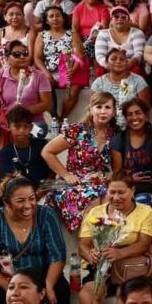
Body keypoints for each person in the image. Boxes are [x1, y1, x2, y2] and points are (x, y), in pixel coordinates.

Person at [0, 176, 67, 304]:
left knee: (57, 294)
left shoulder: (46, 215)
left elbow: (58, 256)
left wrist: (48, 285)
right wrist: (8, 287)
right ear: (6, 202)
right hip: (6, 278)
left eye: (31, 198)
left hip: (43, 276)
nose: (28, 205)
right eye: (20, 201)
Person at [77, 171, 152, 304]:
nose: (116, 197)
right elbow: (83, 246)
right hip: (102, 268)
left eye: (121, 192)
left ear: (132, 191)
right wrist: (90, 255)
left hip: (129, 268)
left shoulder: (145, 211)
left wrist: (120, 253)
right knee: (86, 293)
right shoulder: (96, 212)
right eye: (112, 192)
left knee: (125, 293)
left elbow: (144, 244)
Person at [42, 91, 117, 230]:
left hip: (101, 180)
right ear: (91, 109)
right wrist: (66, 174)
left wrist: (105, 177)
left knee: (110, 197)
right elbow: (47, 152)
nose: (103, 111)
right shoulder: (77, 130)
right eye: (98, 107)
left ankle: (102, 244)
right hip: (74, 182)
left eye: (107, 107)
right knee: (93, 197)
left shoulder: (115, 133)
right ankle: (89, 244)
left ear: (114, 111)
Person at [0, 39, 52, 128]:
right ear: (6, 58)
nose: (22, 57)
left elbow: (47, 104)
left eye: (25, 53)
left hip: (33, 123)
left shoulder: (39, 76)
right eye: (16, 54)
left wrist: (23, 111)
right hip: (7, 123)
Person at [0, 104, 51, 187]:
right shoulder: (5, 152)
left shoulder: (42, 145)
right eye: (17, 126)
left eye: (26, 126)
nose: (22, 131)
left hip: (44, 190)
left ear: (31, 127)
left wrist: (43, 190)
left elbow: (53, 171)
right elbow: (7, 178)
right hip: (20, 192)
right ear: (8, 127)